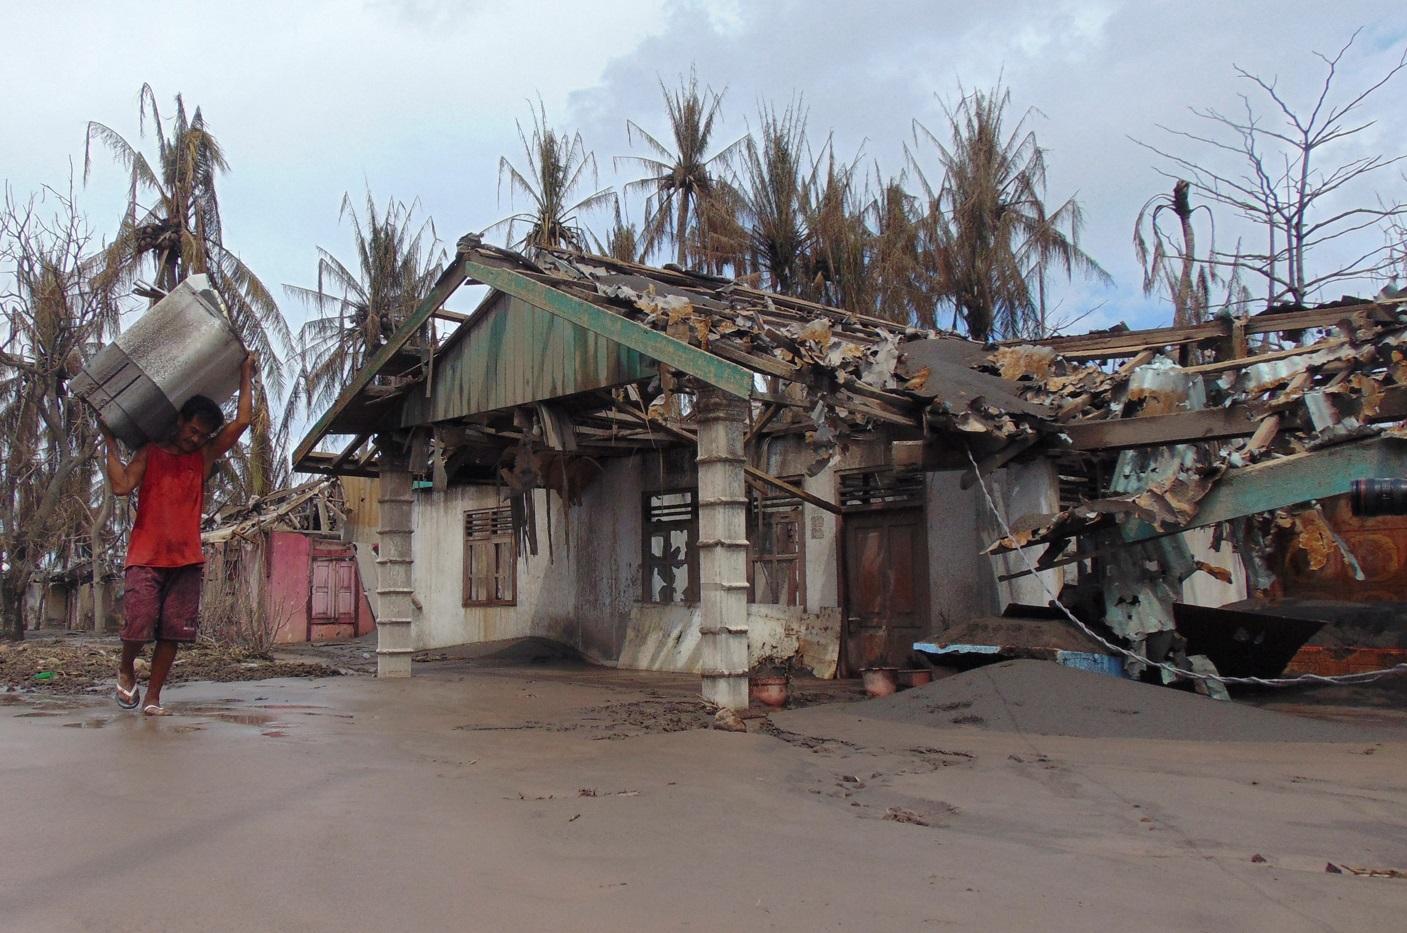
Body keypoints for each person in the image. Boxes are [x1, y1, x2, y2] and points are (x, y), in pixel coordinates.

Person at [100, 352, 257, 715]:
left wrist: (246, 373)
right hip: (145, 556)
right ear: (180, 421)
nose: (194, 438)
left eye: (202, 435)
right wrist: (110, 445)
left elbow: (243, 420)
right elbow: (122, 485)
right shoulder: (151, 452)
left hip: (186, 558)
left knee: (173, 632)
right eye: (192, 430)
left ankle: (153, 698)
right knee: (138, 624)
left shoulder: (202, 457)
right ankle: (126, 668)